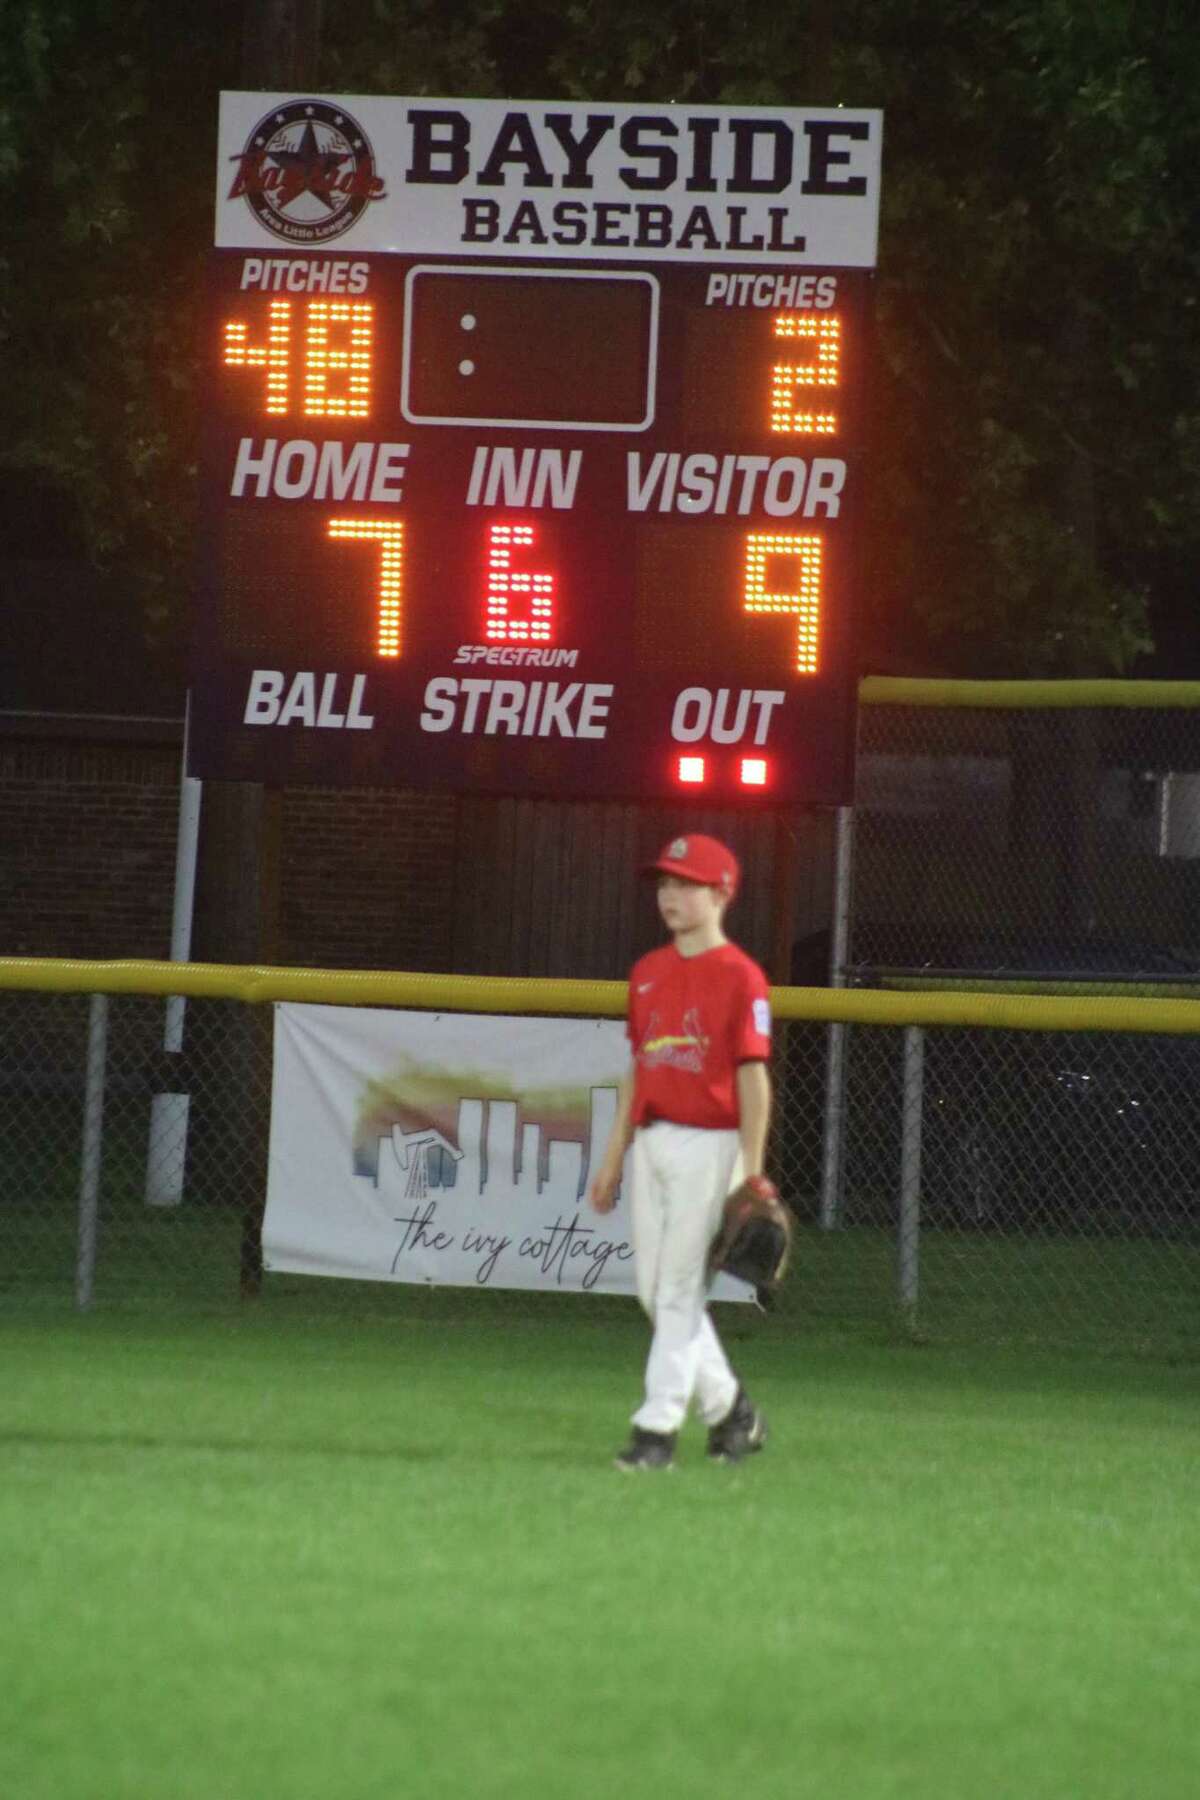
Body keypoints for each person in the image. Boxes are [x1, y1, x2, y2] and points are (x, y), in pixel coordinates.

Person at [587, 832, 772, 1471]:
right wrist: (614, 1155)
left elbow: (754, 1080)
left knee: (676, 1289)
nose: (669, 895)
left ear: (722, 893)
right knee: (656, 1290)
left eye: (686, 884)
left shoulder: (742, 976)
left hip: (712, 1144)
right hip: (653, 1140)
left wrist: (751, 1170)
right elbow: (638, 1069)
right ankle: (731, 1411)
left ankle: (656, 1431)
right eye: (665, 883)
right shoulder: (647, 972)